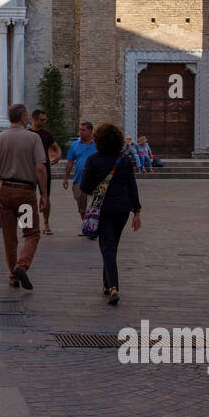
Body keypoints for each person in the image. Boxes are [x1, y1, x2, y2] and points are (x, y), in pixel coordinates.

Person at [0, 103, 48, 289]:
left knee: (9, 236)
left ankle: (13, 276)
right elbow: (40, 167)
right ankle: (21, 266)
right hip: (24, 194)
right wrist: (44, 193)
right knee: (30, 233)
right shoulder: (33, 138)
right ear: (23, 118)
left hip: (5, 192)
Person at [80, 122, 142, 306]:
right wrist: (137, 211)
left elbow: (85, 186)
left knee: (107, 246)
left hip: (104, 209)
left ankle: (114, 286)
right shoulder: (123, 160)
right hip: (122, 210)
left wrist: (98, 188)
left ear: (98, 140)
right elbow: (132, 186)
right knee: (111, 244)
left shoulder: (93, 160)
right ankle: (106, 285)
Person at [30, 108, 61, 235]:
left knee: (46, 196)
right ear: (34, 119)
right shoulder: (27, 134)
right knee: (28, 197)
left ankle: (46, 223)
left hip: (44, 168)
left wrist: (58, 155)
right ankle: (27, 224)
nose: (44, 122)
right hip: (30, 169)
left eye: (45, 120)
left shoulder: (47, 134)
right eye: (42, 120)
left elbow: (56, 147)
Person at [63, 121, 97, 232]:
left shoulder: (97, 144)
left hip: (95, 181)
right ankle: (85, 225)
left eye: (83, 130)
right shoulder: (75, 145)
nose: (80, 132)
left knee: (93, 204)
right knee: (81, 206)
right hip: (79, 180)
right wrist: (65, 178)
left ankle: (93, 226)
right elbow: (70, 162)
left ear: (90, 131)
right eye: (80, 130)